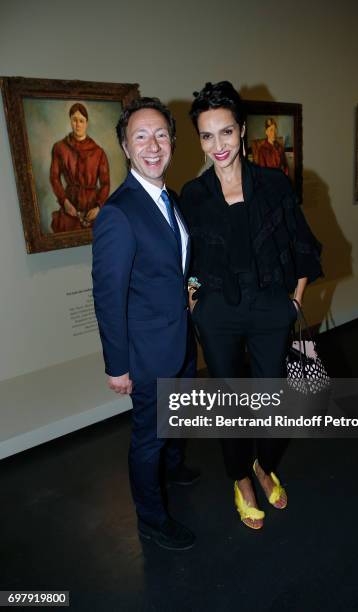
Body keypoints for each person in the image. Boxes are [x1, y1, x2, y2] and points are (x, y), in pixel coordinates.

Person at [180, 81, 322, 530]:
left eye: (225, 132)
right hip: (218, 312)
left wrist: (293, 302)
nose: (217, 145)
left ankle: (264, 464)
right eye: (206, 136)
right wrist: (196, 300)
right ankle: (241, 478)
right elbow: (188, 260)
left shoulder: (274, 184)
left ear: (242, 130)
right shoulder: (195, 194)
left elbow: (303, 245)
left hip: (269, 308)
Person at [92, 97, 198, 550]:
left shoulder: (169, 199)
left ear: (172, 141)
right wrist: (117, 366)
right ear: (124, 145)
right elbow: (107, 296)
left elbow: (173, 263)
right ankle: (152, 519)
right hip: (147, 352)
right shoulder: (119, 212)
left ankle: (173, 465)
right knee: (147, 438)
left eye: (160, 135)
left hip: (180, 337)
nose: (153, 145)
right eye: (141, 136)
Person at [50, 102, 110, 232]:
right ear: (70, 121)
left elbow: (105, 184)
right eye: (74, 120)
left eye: (81, 121)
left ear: (86, 123)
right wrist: (65, 202)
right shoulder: (60, 148)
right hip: (70, 206)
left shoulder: (98, 152)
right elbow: (54, 177)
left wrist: (99, 208)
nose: (78, 125)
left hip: (92, 209)